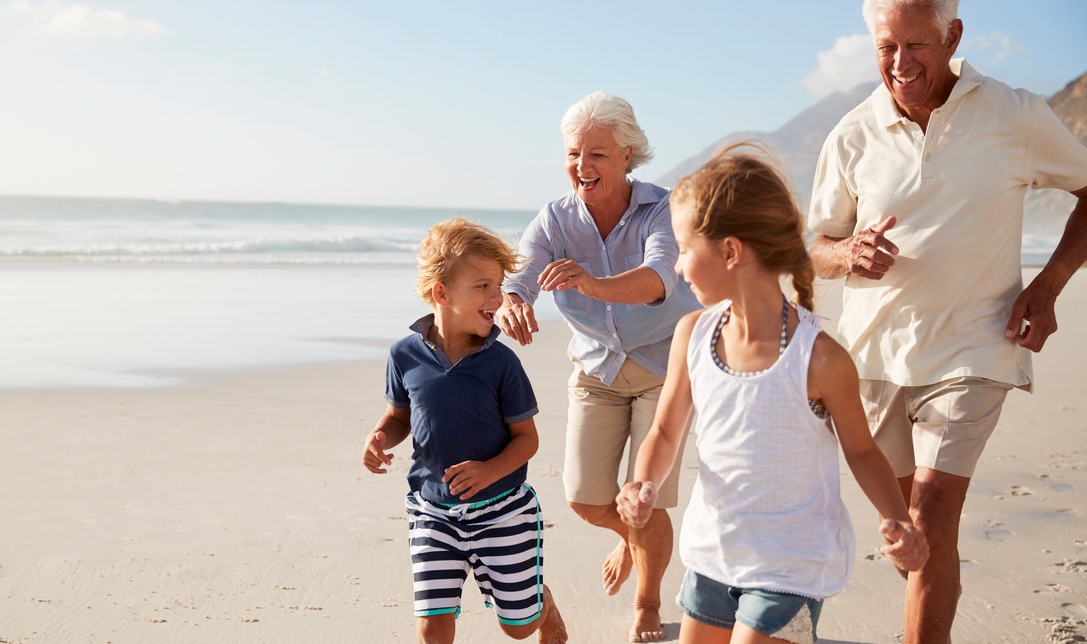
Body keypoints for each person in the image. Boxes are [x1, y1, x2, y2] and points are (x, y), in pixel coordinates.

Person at [807, 0, 1087, 641]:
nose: (899, 63)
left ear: (953, 36)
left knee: (930, 516)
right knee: (913, 535)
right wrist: (847, 255)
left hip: (975, 345)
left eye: (916, 46)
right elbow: (812, 243)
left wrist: (1047, 284)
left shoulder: (1015, 113)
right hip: (872, 355)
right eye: (885, 48)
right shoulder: (851, 134)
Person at [617, 142, 929, 644]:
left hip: (790, 564)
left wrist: (897, 517)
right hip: (713, 554)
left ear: (730, 251)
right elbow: (665, 430)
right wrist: (642, 482)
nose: (675, 267)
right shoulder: (693, 334)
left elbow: (863, 450)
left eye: (683, 250)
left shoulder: (820, 358)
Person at [497, 91, 702, 643]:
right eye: (573, 154)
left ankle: (648, 604)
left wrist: (590, 283)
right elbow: (519, 274)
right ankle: (631, 536)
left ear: (628, 154)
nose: (582, 167)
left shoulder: (662, 208)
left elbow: (661, 276)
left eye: (598, 155)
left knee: (643, 497)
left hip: (665, 367)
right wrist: (513, 300)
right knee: (587, 499)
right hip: (597, 371)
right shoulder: (555, 220)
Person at [361, 218, 568, 644]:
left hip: (503, 510)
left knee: (518, 627)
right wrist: (379, 436)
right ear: (442, 292)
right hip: (433, 510)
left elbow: (527, 439)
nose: (498, 297)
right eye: (484, 287)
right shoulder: (404, 355)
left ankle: (541, 605)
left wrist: (491, 470)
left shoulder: (501, 363)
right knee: (433, 627)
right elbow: (399, 416)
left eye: (499, 286)